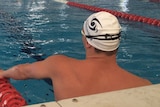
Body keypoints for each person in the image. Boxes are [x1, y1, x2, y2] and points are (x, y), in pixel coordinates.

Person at [0, 11, 151, 101]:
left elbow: (23, 71)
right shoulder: (144, 86)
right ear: (117, 44)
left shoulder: (59, 66)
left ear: (87, 42)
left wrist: (4, 73)